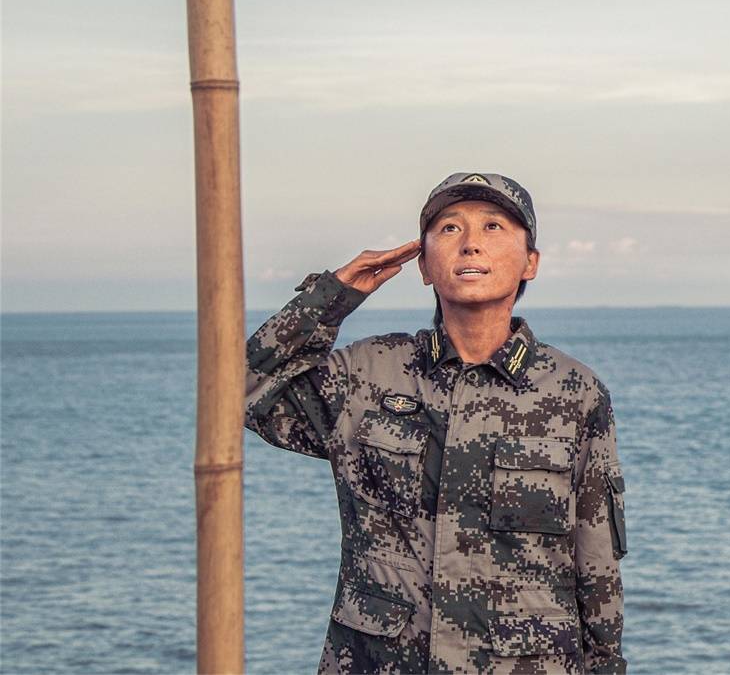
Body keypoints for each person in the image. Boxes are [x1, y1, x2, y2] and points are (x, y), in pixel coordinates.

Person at [245, 172, 627, 674]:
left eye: (494, 227)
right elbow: (238, 391)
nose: (470, 244)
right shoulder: (367, 373)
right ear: (423, 264)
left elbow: (595, 561)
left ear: (530, 262)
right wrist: (333, 297)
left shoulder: (574, 392)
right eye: (449, 229)